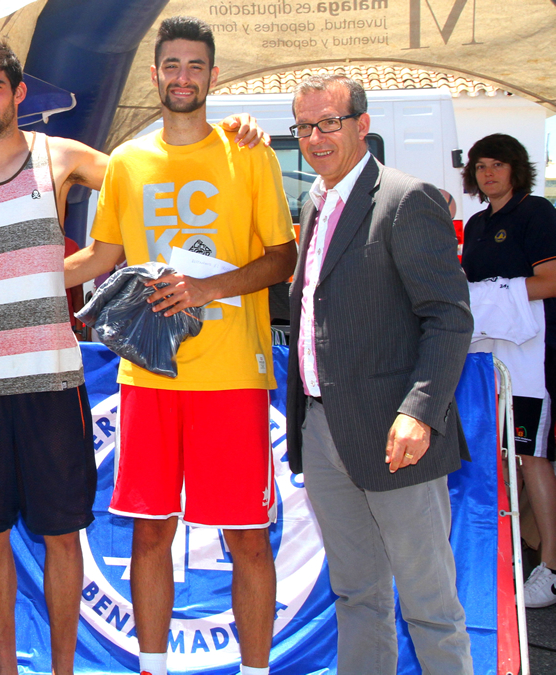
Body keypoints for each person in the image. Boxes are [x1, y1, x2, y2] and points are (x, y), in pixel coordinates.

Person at [0, 37, 273, 675]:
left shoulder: (61, 155)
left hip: (54, 375)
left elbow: (145, 166)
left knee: (64, 533)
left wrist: (226, 129)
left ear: (17, 92)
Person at [64, 17, 297, 675]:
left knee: (247, 538)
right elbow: (102, 256)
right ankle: (153, 667)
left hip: (231, 377)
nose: (184, 76)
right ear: (156, 73)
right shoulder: (131, 163)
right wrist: (16, 273)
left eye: (196, 65)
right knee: (150, 531)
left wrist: (206, 288)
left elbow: (282, 258)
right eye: (172, 65)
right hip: (151, 380)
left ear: (213, 75)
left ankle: (255, 670)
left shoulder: (247, 151)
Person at [284, 74, 474, 673]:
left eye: (329, 123)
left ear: (362, 125)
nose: (316, 138)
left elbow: (449, 318)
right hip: (323, 430)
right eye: (305, 126)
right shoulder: (314, 201)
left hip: (397, 437)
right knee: (357, 596)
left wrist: (419, 412)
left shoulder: (405, 198)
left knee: (429, 606)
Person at [459, 133, 556, 608]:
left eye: (497, 165)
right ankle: (520, 551)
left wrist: (495, 294)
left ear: (516, 169)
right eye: (480, 167)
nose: (489, 174)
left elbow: (552, 280)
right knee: (503, 455)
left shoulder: (536, 213)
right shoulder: (477, 223)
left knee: (531, 454)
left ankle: (552, 570)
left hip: (532, 354)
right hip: (488, 354)